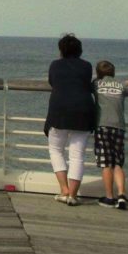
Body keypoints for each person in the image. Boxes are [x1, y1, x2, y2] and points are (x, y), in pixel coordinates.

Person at [45, 33, 96, 206]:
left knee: (56, 150)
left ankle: (64, 190)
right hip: (84, 110)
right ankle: (73, 196)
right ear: (79, 50)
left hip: (59, 111)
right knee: (77, 156)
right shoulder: (87, 66)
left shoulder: (55, 65)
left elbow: (52, 82)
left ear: (61, 50)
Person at [92, 60, 128, 209]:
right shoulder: (121, 85)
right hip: (118, 127)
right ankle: (122, 195)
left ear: (98, 73)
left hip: (102, 125)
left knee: (106, 164)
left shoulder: (96, 84)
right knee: (117, 163)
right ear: (113, 72)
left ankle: (110, 197)